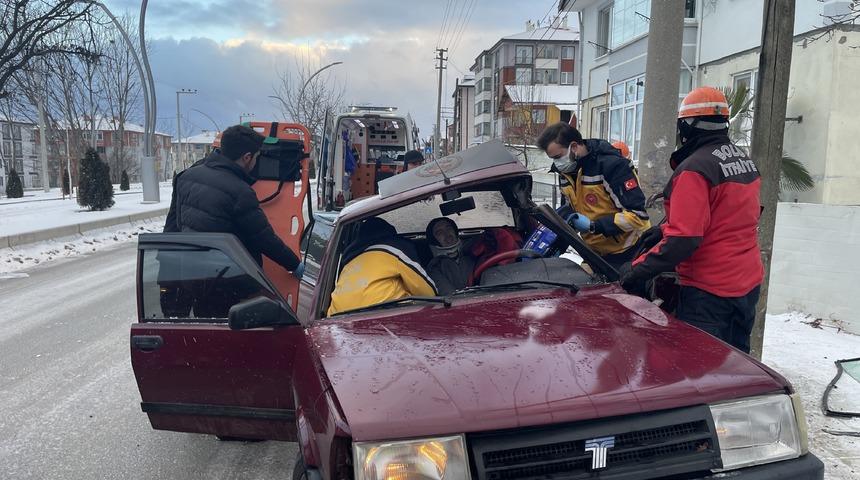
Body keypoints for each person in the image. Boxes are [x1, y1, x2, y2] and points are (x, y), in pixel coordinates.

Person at [619, 86, 763, 353]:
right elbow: (725, 216)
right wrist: (663, 229)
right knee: (737, 363)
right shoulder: (744, 162)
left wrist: (637, 270)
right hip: (746, 284)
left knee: (702, 369)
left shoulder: (695, 168)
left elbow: (684, 239)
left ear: (687, 126)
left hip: (709, 291)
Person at [164, 124, 303, 277]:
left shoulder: (186, 177)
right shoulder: (240, 191)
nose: (256, 162)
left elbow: (173, 228)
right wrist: (294, 264)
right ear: (247, 157)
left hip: (191, 273)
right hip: (227, 279)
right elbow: (264, 239)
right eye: (256, 157)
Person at [536, 122, 651, 269]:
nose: (557, 163)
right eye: (553, 159)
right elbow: (574, 207)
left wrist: (594, 226)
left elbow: (638, 216)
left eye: (558, 157)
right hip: (594, 252)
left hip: (629, 252)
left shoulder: (612, 167)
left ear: (574, 146)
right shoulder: (565, 173)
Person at [328, 217, 437, 315]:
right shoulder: (394, 250)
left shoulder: (348, 263)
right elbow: (428, 293)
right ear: (391, 234)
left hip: (337, 320)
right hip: (383, 316)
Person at [426, 217, 475, 295]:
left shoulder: (475, 250)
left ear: (455, 231)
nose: (446, 234)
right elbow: (451, 296)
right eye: (439, 232)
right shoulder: (434, 267)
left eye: (449, 228)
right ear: (434, 240)